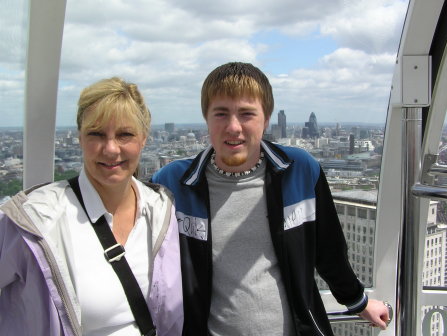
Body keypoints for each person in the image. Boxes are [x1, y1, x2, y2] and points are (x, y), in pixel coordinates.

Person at [151, 62, 390, 336]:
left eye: (246, 114)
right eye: (221, 114)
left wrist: (357, 300)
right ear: (206, 118)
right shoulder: (172, 183)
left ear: (266, 120)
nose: (233, 127)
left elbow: (329, 249)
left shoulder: (300, 171)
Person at [0, 77, 183, 336]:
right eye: (96, 134)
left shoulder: (161, 211)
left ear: (144, 139)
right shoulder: (34, 220)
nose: (110, 149)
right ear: (79, 138)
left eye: (125, 135)